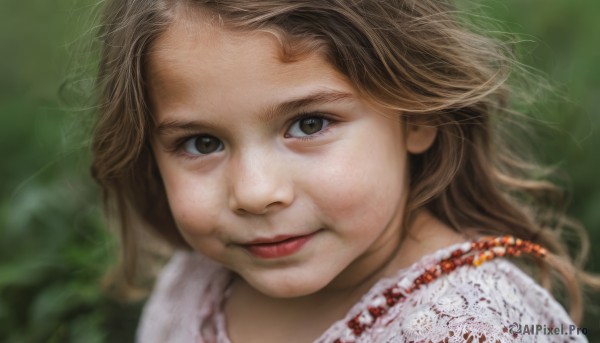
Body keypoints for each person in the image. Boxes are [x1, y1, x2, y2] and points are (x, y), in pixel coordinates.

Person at [90, 1, 599, 342]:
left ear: (418, 115)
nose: (254, 192)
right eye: (202, 143)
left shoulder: (470, 325)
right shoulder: (194, 284)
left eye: (309, 124)